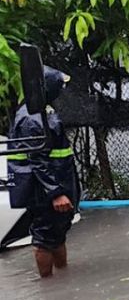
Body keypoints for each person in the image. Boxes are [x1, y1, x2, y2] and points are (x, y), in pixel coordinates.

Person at [8, 65, 79, 278]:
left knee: (56, 233)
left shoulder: (41, 111)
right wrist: (56, 193)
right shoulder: (32, 118)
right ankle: (49, 287)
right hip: (44, 191)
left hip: (56, 183)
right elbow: (37, 160)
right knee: (45, 236)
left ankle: (62, 280)